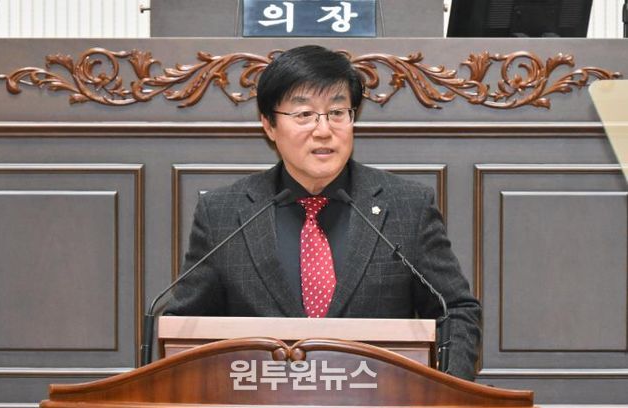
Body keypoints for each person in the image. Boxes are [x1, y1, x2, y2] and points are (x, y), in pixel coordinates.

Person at [164, 45, 482, 380]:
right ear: (269, 125)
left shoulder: (407, 206)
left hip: (379, 399)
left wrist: (449, 394)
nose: (323, 130)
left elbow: (456, 311)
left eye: (337, 112)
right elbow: (185, 326)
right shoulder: (222, 213)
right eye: (304, 114)